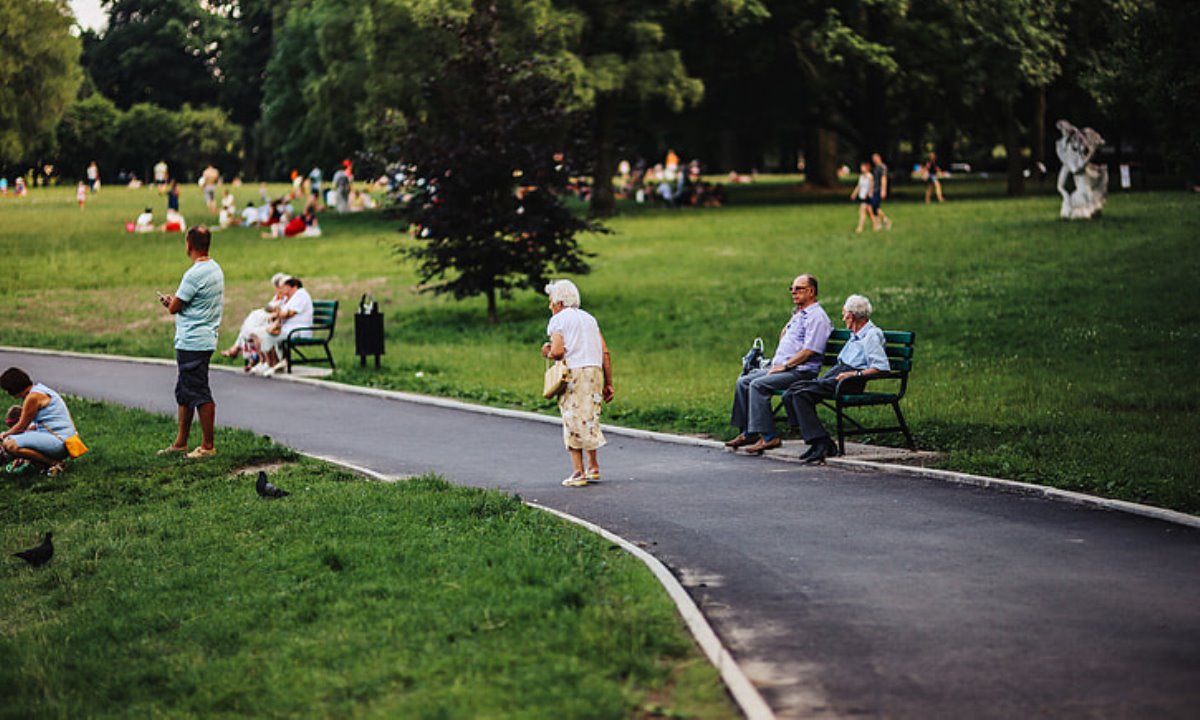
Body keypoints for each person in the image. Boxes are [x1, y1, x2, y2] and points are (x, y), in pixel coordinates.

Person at [726, 275, 833, 455]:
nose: (793, 292)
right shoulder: (800, 314)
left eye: (798, 289)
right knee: (743, 381)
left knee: (758, 385)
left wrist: (785, 365)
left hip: (800, 371)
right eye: (792, 289)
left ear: (811, 291)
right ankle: (749, 432)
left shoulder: (817, 317)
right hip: (784, 367)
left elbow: (810, 350)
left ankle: (769, 436)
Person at [782, 294, 891, 464]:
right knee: (790, 392)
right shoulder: (855, 334)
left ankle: (821, 443)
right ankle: (816, 440)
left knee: (801, 394)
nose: (843, 318)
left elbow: (881, 367)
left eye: (844, 314)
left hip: (850, 381)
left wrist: (854, 374)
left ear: (851, 316)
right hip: (839, 374)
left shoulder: (871, 335)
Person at [158, 226, 224, 459]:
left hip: (192, 341)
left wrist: (170, 302)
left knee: (198, 391)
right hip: (205, 337)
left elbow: (175, 307)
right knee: (185, 391)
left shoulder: (194, 274)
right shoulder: (215, 268)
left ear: (189, 244)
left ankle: (207, 446)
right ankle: (181, 442)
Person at [541, 280, 614, 488]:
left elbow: (558, 352)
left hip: (574, 374)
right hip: (594, 372)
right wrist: (609, 383)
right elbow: (605, 352)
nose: (550, 306)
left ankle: (578, 472)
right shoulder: (590, 319)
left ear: (559, 302)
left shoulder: (558, 320)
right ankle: (593, 467)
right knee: (589, 418)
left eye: (551, 301)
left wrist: (547, 351)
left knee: (572, 419)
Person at [0, 367, 79, 476]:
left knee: (9, 444)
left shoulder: (32, 398)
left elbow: (21, 426)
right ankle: (40, 465)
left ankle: (54, 463)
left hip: (60, 442)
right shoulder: (40, 390)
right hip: (66, 440)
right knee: (17, 440)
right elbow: (35, 425)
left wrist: (5, 435)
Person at [221, 273, 290, 372]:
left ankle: (241, 351)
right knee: (250, 325)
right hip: (270, 321)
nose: (278, 289)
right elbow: (269, 308)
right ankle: (249, 355)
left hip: (276, 323)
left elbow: (278, 311)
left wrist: (272, 312)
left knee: (252, 326)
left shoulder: (286, 298)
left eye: (279, 287)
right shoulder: (277, 297)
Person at [870, 153, 893, 230]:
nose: (874, 160)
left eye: (875, 158)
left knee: (875, 207)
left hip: (879, 189)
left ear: (879, 158)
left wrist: (883, 190)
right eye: (873, 159)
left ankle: (886, 221)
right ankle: (878, 224)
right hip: (874, 189)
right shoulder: (875, 168)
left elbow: (884, 178)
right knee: (874, 207)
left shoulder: (882, 167)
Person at [851, 161, 875, 232]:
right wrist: (854, 193)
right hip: (862, 195)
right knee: (869, 212)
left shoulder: (870, 176)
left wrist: (869, 193)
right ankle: (876, 225)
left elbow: (871, 185)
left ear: (867, 168)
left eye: (863, 167)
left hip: (867, 196)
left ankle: (860, 227)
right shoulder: (861, 176)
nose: (861, 168)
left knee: (862, 211)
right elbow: (859, 186)